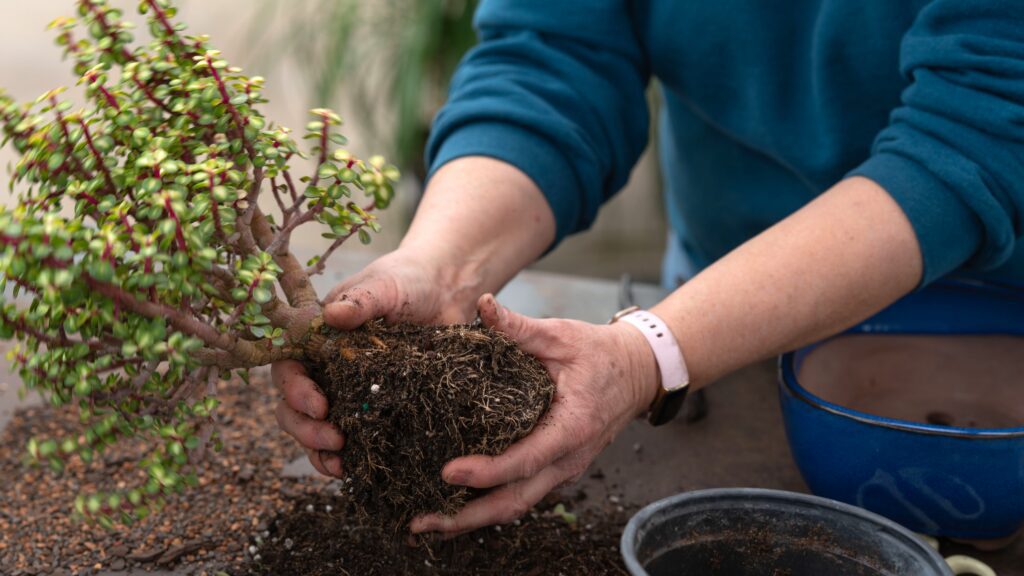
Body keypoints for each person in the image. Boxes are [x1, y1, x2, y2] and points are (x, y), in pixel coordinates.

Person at [273, 0, 1024, 536]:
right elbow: (552, 53)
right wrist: (444, 264)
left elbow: (976, 135)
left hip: (990, 323)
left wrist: (649, 354)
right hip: (725, 306)